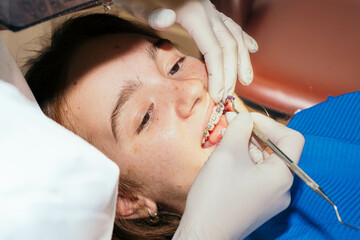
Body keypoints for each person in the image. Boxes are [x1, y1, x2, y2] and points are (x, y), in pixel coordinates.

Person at [24, 13, 304, 239]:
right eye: (145, 116)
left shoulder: (329, 118)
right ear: (127, 200)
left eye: (175, 65)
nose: (192, 88)